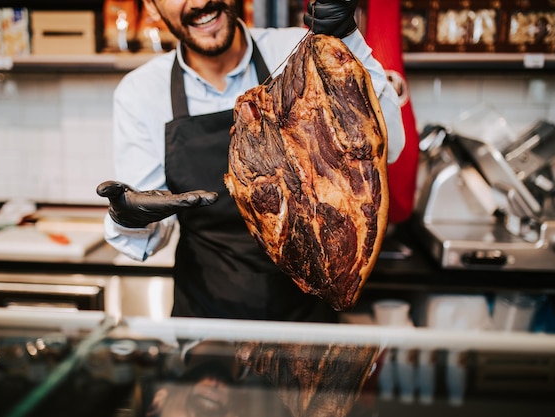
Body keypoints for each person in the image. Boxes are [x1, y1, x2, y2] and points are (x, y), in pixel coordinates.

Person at [97, 0, 406, 322]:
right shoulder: (141, 92)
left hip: (308, 315)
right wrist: (129, 218)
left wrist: (348, 38)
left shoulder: (296, 48)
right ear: (150, 6)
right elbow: (149, 239)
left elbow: (389, 146)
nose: (200, 2)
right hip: (207, 327)